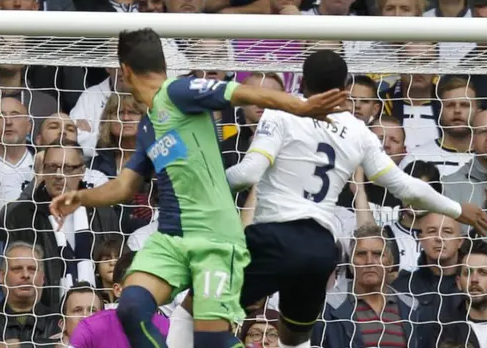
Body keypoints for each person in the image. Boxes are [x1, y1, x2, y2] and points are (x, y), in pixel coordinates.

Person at [49, 28, 349, 348]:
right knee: (132, 307)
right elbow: (124, 186)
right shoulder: (150, 124)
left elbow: (240, 92)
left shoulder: (178, 92)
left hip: (213, 238)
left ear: (124, 71)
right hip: (172, 239)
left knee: (210, 341)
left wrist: (299, 107)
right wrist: (81, 197)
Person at [224, 50, 487, 348]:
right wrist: (457, 209)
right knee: (295, 335)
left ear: (302, 81)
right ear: (344, 88)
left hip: (274, 235)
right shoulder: (358, 131)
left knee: (206, 308)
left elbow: (248, 174)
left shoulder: (280, 114)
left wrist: (209, 185)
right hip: (320, 247)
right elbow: (407, 187)